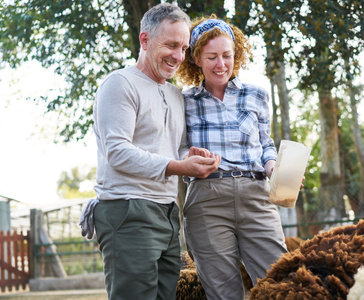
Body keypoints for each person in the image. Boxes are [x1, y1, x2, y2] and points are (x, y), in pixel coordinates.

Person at [92, 4, 220, 300]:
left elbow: (175, 150)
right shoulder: (120, 84)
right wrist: (179, 167)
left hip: (167, 212)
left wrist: (191, 157)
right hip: (128, 210)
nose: (178, 56)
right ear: (145, 40)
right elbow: (118, 152)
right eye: (171, 45)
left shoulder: (174, 94)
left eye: (184, 48)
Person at [176, 16, 288, 300]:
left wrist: (274, 166)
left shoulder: (257, 95)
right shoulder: (183, 101)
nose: (221, 64)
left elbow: (266, 144)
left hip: (256, 195)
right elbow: (176, 150)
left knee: (280, 281)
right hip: (206, 199)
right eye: (212, 56)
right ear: (196, 58)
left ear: (235, 56)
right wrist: (190, 158)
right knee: (223, 292)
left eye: (227, 55)